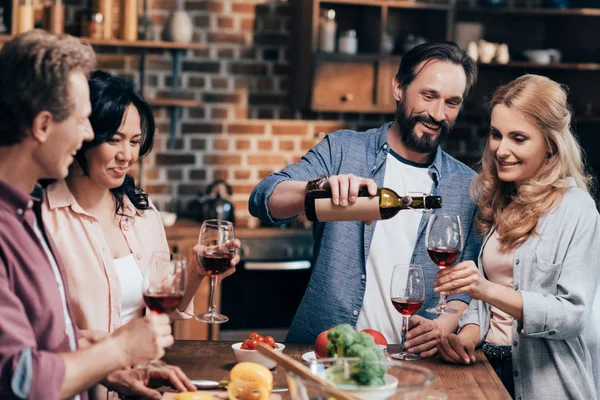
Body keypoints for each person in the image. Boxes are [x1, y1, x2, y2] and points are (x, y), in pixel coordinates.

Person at [249, 41, 481, 356]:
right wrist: (318, 188)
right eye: (428, 96)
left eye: (451, 102)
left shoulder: (466, 185)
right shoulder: (343, 150)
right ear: (399, 87)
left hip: (413, 360)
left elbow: (464, 284)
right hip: (326, 355)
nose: (438, 114)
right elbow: (264, 199)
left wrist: (445, 324)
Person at [41, 70, 240, 399]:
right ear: (84, 137)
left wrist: (195, 272)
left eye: (134, 142)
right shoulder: (44, 219)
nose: (127, 155)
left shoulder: (143, 215)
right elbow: (39, 333)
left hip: (142, 388)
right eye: (114, 140)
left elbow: (164, 310)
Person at [0, 30, 174, 400]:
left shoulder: (25, 213)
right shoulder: (25, 218)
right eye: (82, 120)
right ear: (43, 125)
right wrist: (119, 350)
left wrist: (107, 366)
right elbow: (20, 379)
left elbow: (45, 334)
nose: (86, 135)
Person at [436, 74, 600, 399]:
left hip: (547, 384)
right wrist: (467, 337)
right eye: (496, 135)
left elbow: (572, 316)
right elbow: (487, 304)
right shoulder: (504, 201)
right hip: (487, 368)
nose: (501, 149)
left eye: (519, 138)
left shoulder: (576, 208)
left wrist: (483, 288)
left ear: (550, 143)